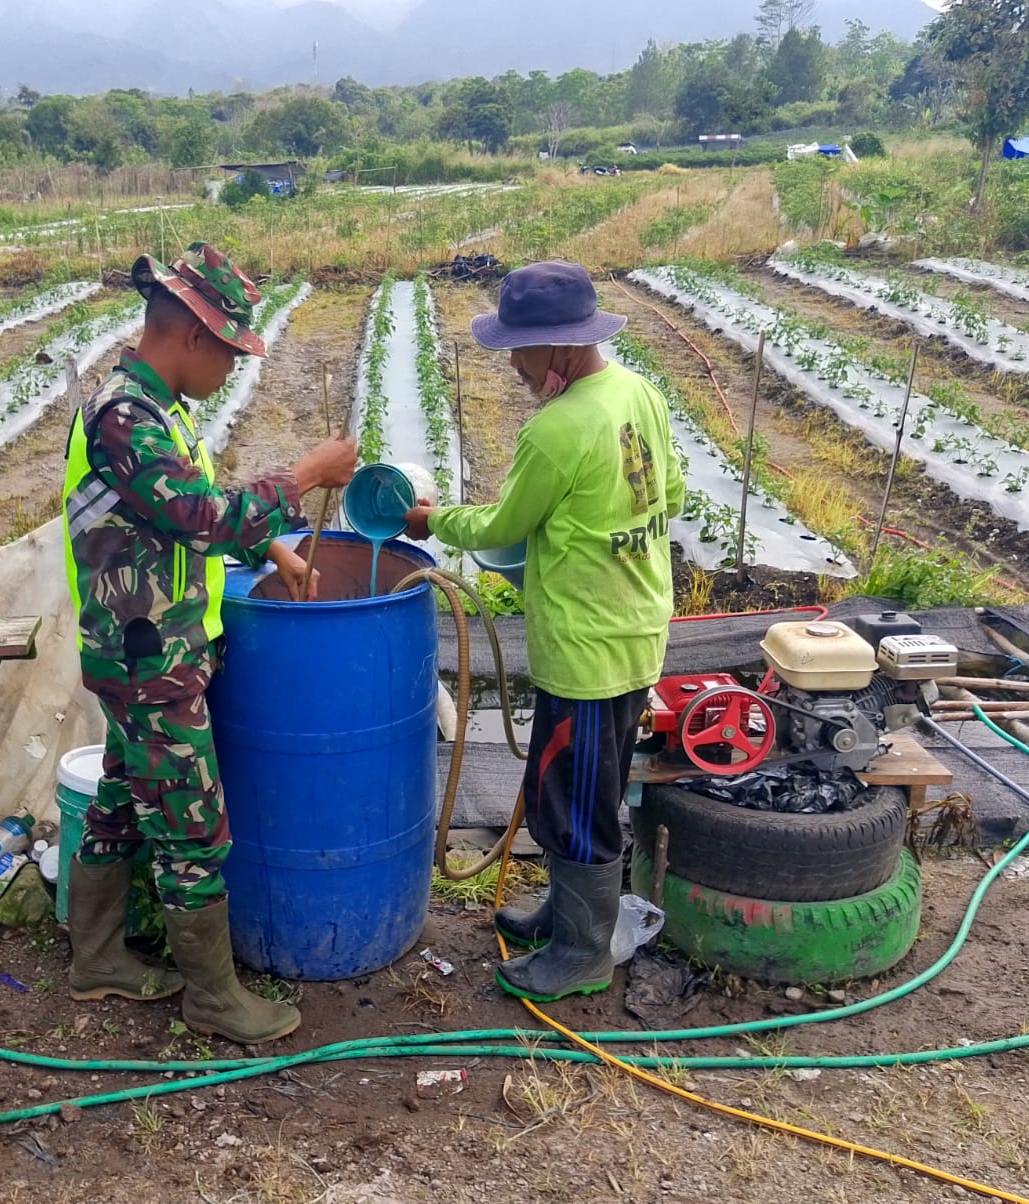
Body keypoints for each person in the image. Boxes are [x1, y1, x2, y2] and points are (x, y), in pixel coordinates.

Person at [62, 243, 357, 1043]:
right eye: (230, 351)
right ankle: (214, 999)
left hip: (146, 647)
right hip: (147, 656)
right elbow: (198, 514)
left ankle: (97, 960)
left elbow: (187, 513)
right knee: (193, 827)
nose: (231, 367)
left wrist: (273, 548)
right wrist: (301, 478)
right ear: (191, 336)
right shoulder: (125, 415)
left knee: (123, 798)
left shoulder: (160, 408)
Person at [403, 260, 685, 1003]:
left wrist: (432, 522)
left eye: (521, 352)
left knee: (571, 801)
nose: (516, 367)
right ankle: (566, 914)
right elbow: (672, 490)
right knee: (585, 783)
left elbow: (502, 526)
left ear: (558, 348)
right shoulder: (637, 392)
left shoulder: (557, 429)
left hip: (586, 650)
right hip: (635, 628)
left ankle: (583, 954)